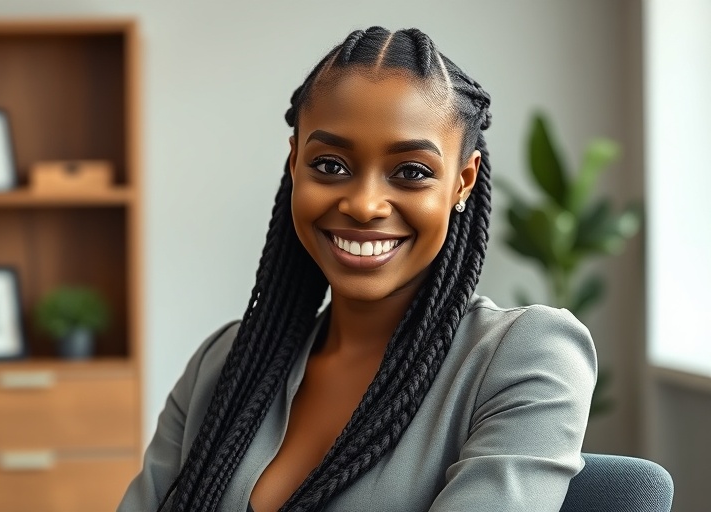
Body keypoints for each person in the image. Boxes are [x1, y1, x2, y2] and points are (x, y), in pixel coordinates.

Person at [120, 26, 596, 512]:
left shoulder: (528, 355)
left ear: (462, 182)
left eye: (411, 171)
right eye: (330, 165)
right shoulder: (221, 365)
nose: (365, 205)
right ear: (294, 165)